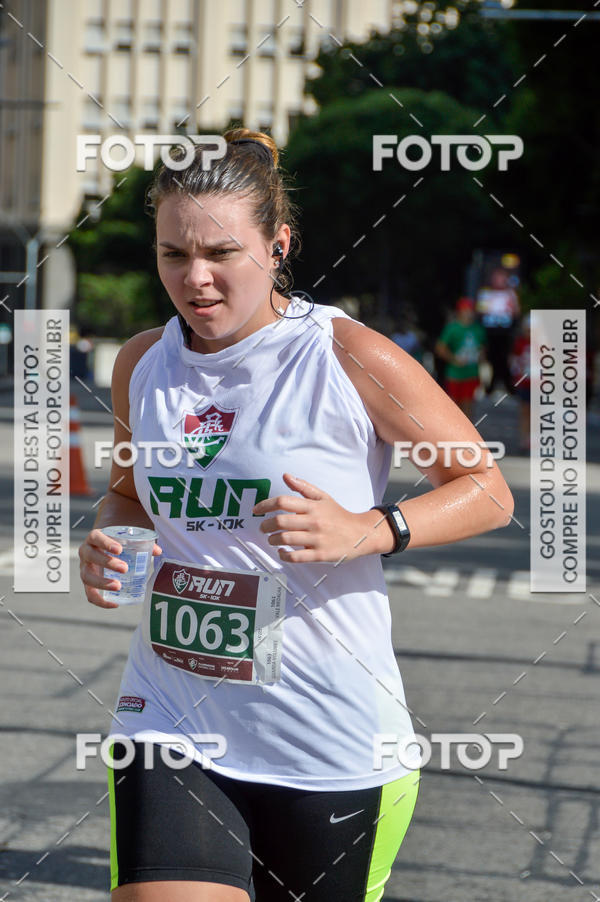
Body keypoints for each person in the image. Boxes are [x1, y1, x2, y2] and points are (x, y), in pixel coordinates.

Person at [78, 129, 514, 902]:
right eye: (174, 255)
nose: (196, 279)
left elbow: (487, 490)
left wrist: (371, 528)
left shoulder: (346, 356)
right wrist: (109, 537)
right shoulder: (142, 363)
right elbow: (128, 495)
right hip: (171, 716)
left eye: (221, 253)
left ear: (278, 245)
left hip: (329, 741)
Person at [435, 297, 486, 420]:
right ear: (460, 311)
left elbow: (483, 349)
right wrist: (454, 359)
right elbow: (440, 348)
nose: (469, 313)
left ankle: (466, 436)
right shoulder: (452, 328)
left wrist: (480, 357)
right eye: (466, 310)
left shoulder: (478, 329)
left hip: (471, 373)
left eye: (470, 310)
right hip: (455, 374)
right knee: (454, 406)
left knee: (468, 406)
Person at [476, 267, 520, 395]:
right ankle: (490, 385)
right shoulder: (485, 293)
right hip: (490, 331)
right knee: (491, 358)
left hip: (505, 332)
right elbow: (481, 311)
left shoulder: (511, 294)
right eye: (497, 277)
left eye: (502, 277)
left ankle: (508, 384)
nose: (500, 280)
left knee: (505, 357)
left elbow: (515, 312)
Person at [509, 313, 531, 452]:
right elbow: (514, 361)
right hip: (524, 382)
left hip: (539, 383)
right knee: (524, 411)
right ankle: (524, 439)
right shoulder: (519, 343)